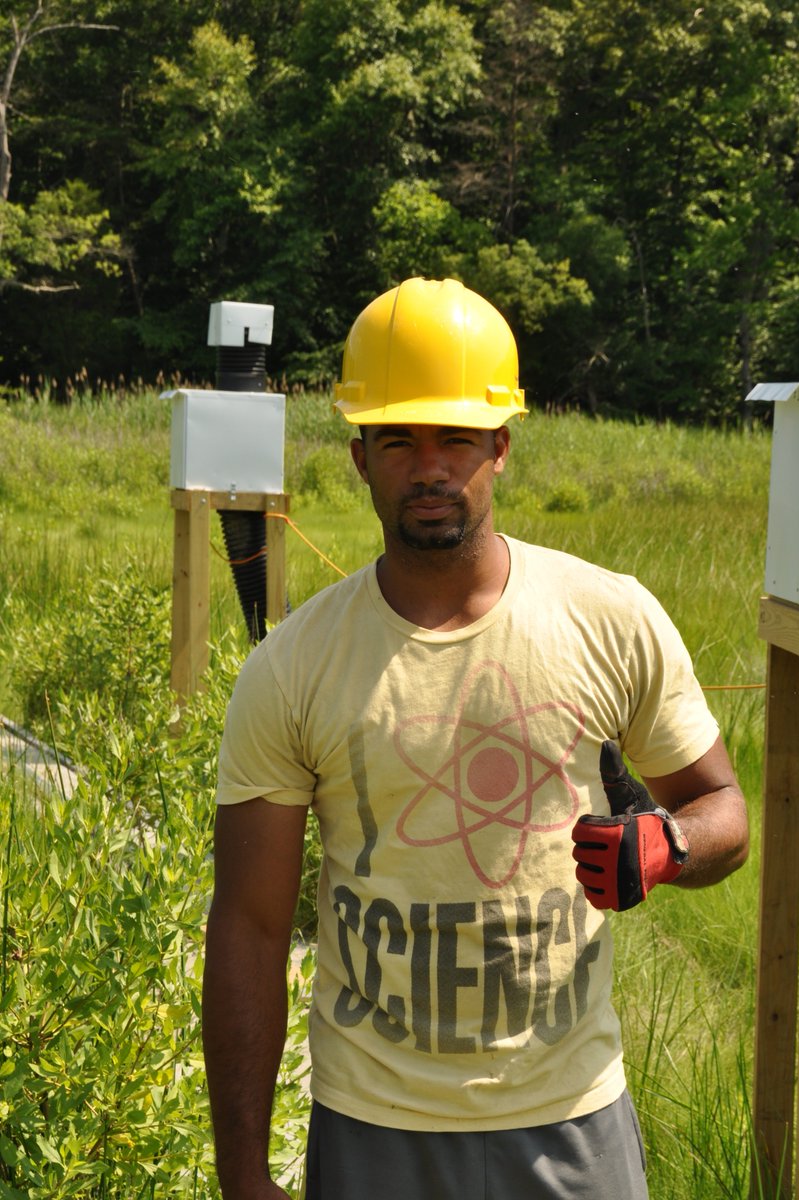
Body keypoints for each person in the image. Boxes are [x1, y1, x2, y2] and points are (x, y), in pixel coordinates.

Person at [202, 277, 749, 1200]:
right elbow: (250, 929)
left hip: (572, 1118)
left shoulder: (607, 618)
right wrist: (244, 1175)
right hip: (375, 1127)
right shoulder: (292, 668)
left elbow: (723, 808)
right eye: (399, 440)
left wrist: (669, 843)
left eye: (455, 437)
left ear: (500, 447)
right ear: (358, 456)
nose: (430, 467)